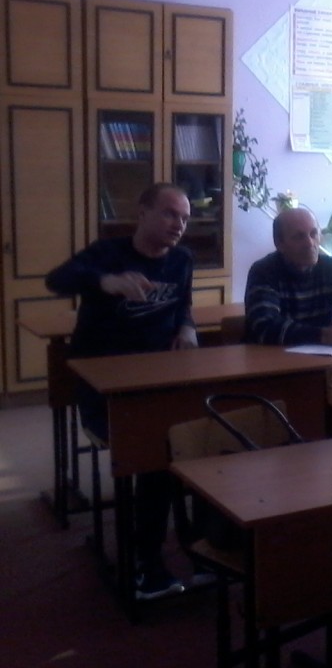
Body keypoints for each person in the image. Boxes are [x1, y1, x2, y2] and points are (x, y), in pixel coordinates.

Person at [45, 182, 197, 600]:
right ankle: (146, 563)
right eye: (169, 213)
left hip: (159, 382)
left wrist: (187, 327)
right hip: (104, 389)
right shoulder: (107, 253)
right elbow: (56, 279)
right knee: (157, 453)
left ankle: (202, 545)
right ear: (142, 213)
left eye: (185, 218)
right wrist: (105, 282)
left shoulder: (182, 260)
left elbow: (184, 305)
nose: (178, 224)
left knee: (207, 438)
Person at [244, 206, 332, 345]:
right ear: (279, 243)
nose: (309, 243)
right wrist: (324, 335)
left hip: (322, 356)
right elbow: (265, 327)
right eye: (299, 237)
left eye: (313, 233)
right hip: (270, 357)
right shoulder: (264, 271)